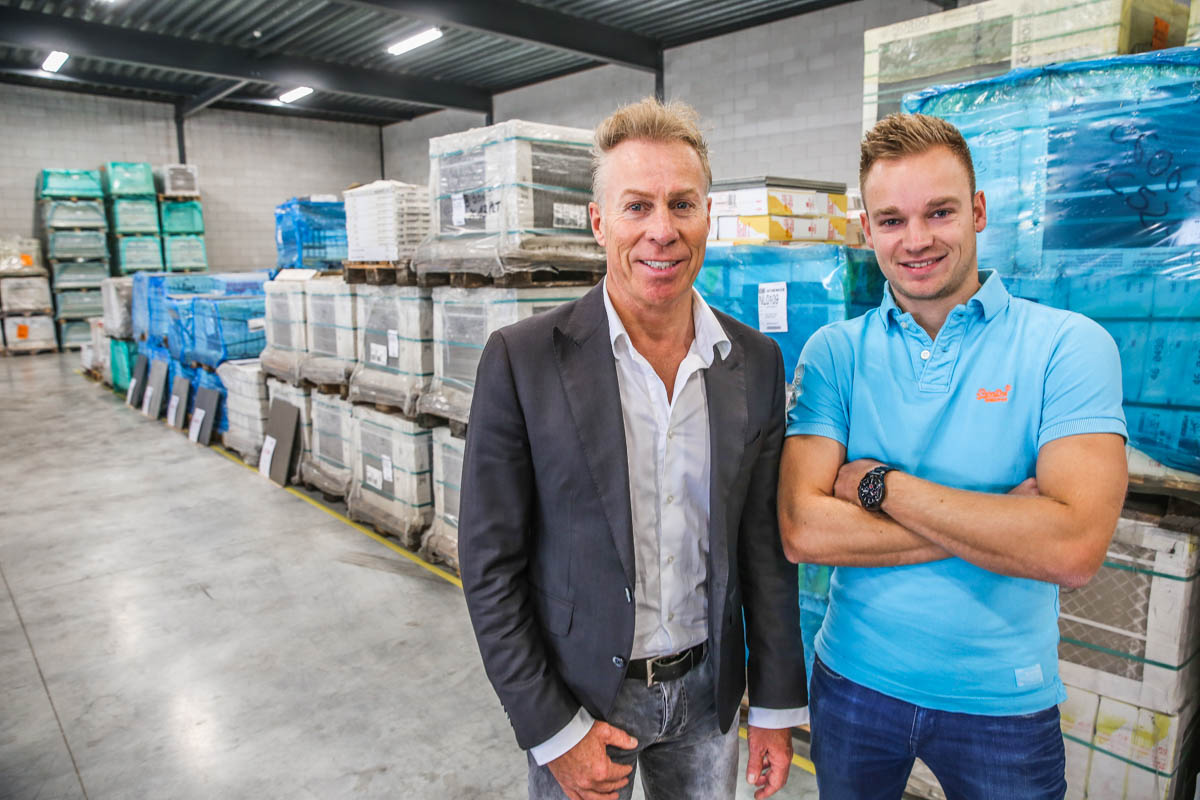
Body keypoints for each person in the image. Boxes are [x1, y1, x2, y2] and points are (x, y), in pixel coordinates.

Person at [458, 97, 808, 800]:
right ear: (599, 222)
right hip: (584, 697)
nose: (662, 231)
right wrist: (552, 730)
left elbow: (764, 551)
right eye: (637, 207)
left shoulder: (754, 362)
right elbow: (490, 564)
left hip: (709, 696)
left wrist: (773, 708)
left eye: (682, 205)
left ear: (707, 215)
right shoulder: (523, 362)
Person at [778, 113, 1129, 798]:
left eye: (939, 212)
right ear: (867, 229)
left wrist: (880, 487)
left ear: (978, 211)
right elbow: (803, 530)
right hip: (852, 683)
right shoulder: (835, 353)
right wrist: (1002, 525)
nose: (916, 240)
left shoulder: (1068, 346)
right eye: (892, 220)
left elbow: (1071, 549)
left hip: (1004, 703)